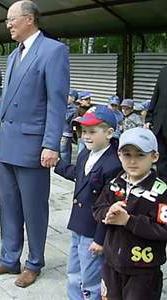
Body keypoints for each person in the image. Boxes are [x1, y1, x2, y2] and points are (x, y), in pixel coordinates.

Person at [0, 0, 69, 288]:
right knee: (7, 205)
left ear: (29, 19)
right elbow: (5, 99)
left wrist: (51, 144)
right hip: (8, 142)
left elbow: (56, 103)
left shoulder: (53, 51)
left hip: (32, 145)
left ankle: (34, 262)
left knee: (34, 208)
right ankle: (9, 258)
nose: (8, 24)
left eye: (11, 19)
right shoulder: (15, 54)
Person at [55, 106, 122, 299]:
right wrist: (57, 165)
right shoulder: (85, 154)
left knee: (91, 278)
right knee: (74, 272)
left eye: (93, 131)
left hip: (94, 229)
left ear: (109, 133)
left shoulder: (114, 164)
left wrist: (100, 239)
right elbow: (79, 175)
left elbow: (110, 205)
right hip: (79, 223)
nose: (86, 136)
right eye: (84, 131)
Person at [93, 127, 166, 300]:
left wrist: (129, 221)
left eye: (140, 155)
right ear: (119, 155)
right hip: (111, 265)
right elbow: (97, 208)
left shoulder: (161, 191)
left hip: (143, 270)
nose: (133, 161)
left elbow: (163, 229)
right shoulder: (114, 183)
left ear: (154, 157)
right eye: (127, 154)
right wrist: (107, 213)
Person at [146, 66, 167, 181]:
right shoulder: (164, 71)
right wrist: (149, 118)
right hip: (160, 125)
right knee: (161, 164)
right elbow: (156, 95)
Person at [60, 89, 78, 164]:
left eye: (69, 96)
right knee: (64, 151)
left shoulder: (73, 108)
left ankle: (64, 168)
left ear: (73, 98)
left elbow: (66, 118)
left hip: (66, 133)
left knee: (64, 152)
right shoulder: (66, 106)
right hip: (62, 132)